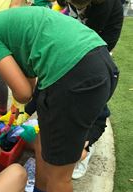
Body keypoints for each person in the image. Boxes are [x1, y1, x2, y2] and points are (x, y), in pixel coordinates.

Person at [0, 3, 119, 192]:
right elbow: (30, 84)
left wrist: (20, 101)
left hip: (75, 77)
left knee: (60, 176)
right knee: (44, 142)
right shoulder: (9, 22)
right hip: (100, 63)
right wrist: (17, 110)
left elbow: (22, 92)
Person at [56, 0, 123, 179]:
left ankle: (86, 146)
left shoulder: (105, 7)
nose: (76, 9)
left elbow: (90, 41)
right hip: (75, 42)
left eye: (80, 6)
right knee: (68, 93)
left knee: (90, 101)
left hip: (98, 46)